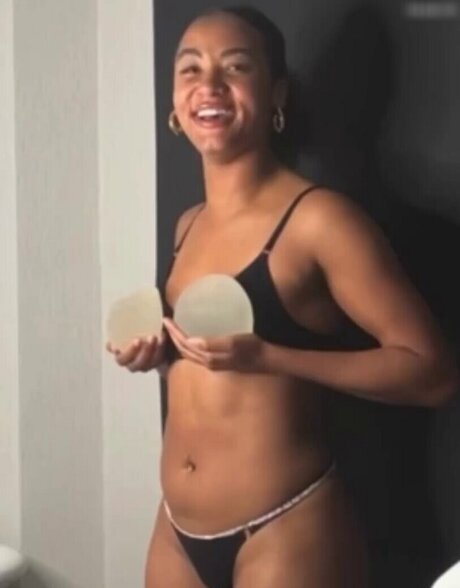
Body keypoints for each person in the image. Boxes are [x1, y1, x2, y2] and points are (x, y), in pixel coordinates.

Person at [106, 6, 459, 588]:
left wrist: (272, 356)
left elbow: (433, 372)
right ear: (174, 100)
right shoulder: (187, 225)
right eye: (190, 69)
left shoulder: (319, 220)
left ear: (276, 94)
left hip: (283, 531)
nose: (208, 85)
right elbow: (213, 375)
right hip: (175, 531)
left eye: (235, 67)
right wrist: (160, 355)